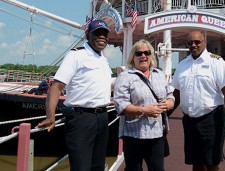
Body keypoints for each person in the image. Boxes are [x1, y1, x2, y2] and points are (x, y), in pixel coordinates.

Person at [36, 19, 113, 171]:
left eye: (105, 33)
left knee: (97, 166)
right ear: (87, 35)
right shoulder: (76, 55)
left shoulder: (103, 59)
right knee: (81, 167)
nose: (102, 36)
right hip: (81, 119)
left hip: (102, 118)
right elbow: (56, 87)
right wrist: (50, 116)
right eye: (97, 32)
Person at [171, 30, 225, 171]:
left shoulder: (217, 62)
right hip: (189, 121)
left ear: (204, 42)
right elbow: (176, 94)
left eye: (197, 42)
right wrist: (164, 117)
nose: (193, 45)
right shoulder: (183, 65)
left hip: (212, 119)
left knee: (212, 163)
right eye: (190, 43)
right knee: (196, 162)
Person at [114, 39, 175, 171]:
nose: (143, 56)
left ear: (151, 56)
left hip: (157, 134)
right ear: (133, 57)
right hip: (134, 135)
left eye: (147, 52)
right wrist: (144, 110)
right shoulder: (125, 77)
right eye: (139, 53)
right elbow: (120, 105)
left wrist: (170, 103)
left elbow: (170, 95)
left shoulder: (159, 75)